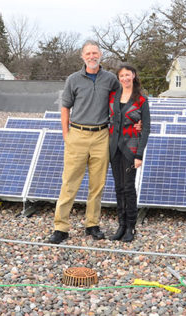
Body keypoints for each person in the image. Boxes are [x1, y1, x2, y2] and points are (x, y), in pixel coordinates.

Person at [48, 40, 120, 244]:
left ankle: (92, 224)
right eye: (88, 53)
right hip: (77, 134)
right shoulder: (73, 79)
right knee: (70, 182)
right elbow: (65, 107)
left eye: (95, 53)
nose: (92, 56)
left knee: (97, 185)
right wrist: (66, 134)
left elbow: (120, 104)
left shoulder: (110, 79)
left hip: (101, 135)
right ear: (82, 56)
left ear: (101, 55)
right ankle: (60, 227)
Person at [107, 64, 150, 242]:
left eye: (128, 74)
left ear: (133, 76)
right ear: (119, 78)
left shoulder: (141, 100)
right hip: (114, 147)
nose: (125, 78)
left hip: (131, 149)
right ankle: (121, 225)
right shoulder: (112, 97)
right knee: (118, 188)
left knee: (128, 188)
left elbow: (146, 128)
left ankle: (131, 226)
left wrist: (139, 154)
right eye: (122, 75)